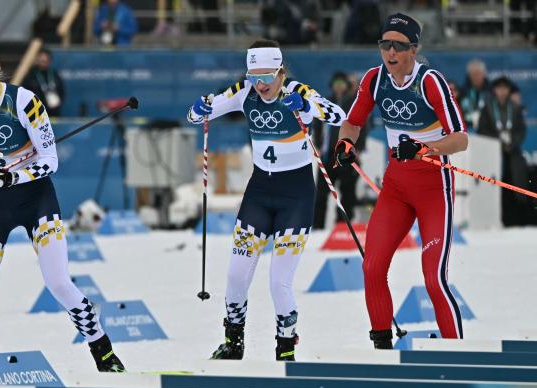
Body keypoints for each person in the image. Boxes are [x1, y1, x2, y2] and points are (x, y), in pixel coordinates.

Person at [0, 39, 125, 384]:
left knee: (58, 282)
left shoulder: (24, 101)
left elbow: (49, 161)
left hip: (36, 200)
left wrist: (11, 178)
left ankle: (103, 349)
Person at [187, 40, 345, 361]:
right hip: (259, 193)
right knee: (235, 275)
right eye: (254, 76)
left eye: (268, 77)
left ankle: (285, 349)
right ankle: (234, 342)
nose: (261, 85)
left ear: (281, 73)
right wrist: (201, 108)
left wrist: (304, 108)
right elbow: (195, 114)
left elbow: (339, 114)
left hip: (296, 197)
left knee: (279, 283)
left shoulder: (298, 91)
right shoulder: (244, 90)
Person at [335, 13, 468, 349]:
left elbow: (460, 139)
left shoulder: (429, 81)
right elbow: (352, 123)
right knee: (372, 267)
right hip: (396, 188)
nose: (390, 52)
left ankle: (458, 357)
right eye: (385, 44)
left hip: (433, 187)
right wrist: (345, 144)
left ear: (413, 49)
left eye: (399, 46)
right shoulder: (374, 79)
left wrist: (426, 147)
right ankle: (382, 348)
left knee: (434, 280)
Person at [313, 71, 370, 229]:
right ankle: (317, 227)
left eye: (342, 84)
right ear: (332, 86)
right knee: (321, 194)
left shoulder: (353, 103)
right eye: (336, 84)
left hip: (347, 154)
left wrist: (357, 149)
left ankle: (343, 227)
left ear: (347, 86)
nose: (339, 87)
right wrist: (318, 144)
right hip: (327, 156)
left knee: (347, 193)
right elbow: (317, 125)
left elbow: (362, 127)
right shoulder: (325, 103)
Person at [477, 75, 529, 227]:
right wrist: (498, 142)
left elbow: (521, 130)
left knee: (517, 187)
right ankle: (497, 220)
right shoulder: (487, 108)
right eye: (499, 88)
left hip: (513, 154)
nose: (502, 92)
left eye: (504, 89)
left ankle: (519, 222)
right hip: (494, 154)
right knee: (497, 188)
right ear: (494, 90)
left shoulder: (516, 108)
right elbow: (482, 130)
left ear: (508, 90)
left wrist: (512, 143)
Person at [23, 49, 65, 117]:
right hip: (36, 112)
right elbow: (25, 92)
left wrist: (58, 102)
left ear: (49, 61)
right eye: (42, 60)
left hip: (54, 111)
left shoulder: (54, 74)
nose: (43, 62)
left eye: (46, 61)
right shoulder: (31, 75)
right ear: (37, 59)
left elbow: (62, 90)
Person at [460, 59, 490, 132]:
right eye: (473, 74)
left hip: (487, 131)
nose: (476, 77)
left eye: (478, 74)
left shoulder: (491, 91)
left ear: (484, 74)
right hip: (467, 130)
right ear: (469, 76)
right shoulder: (462, 92)